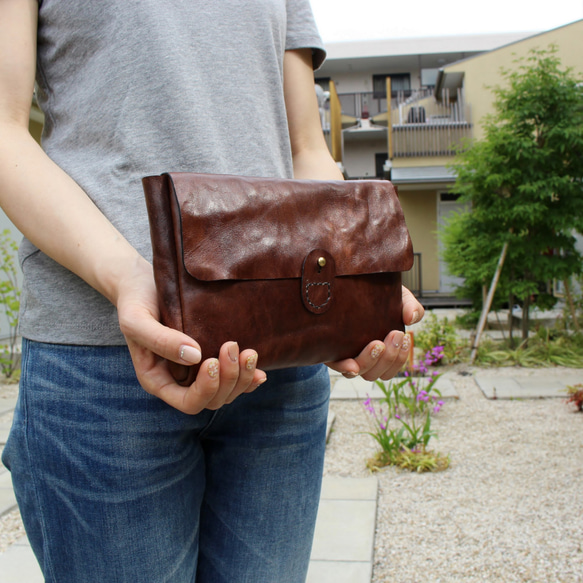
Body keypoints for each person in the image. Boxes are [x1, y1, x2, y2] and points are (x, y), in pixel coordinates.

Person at [0, 0, 424, 581]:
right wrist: (128, 275)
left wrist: (353, 279)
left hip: (278, 363)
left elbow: (306, 149)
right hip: (104, 365)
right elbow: (3, 127)